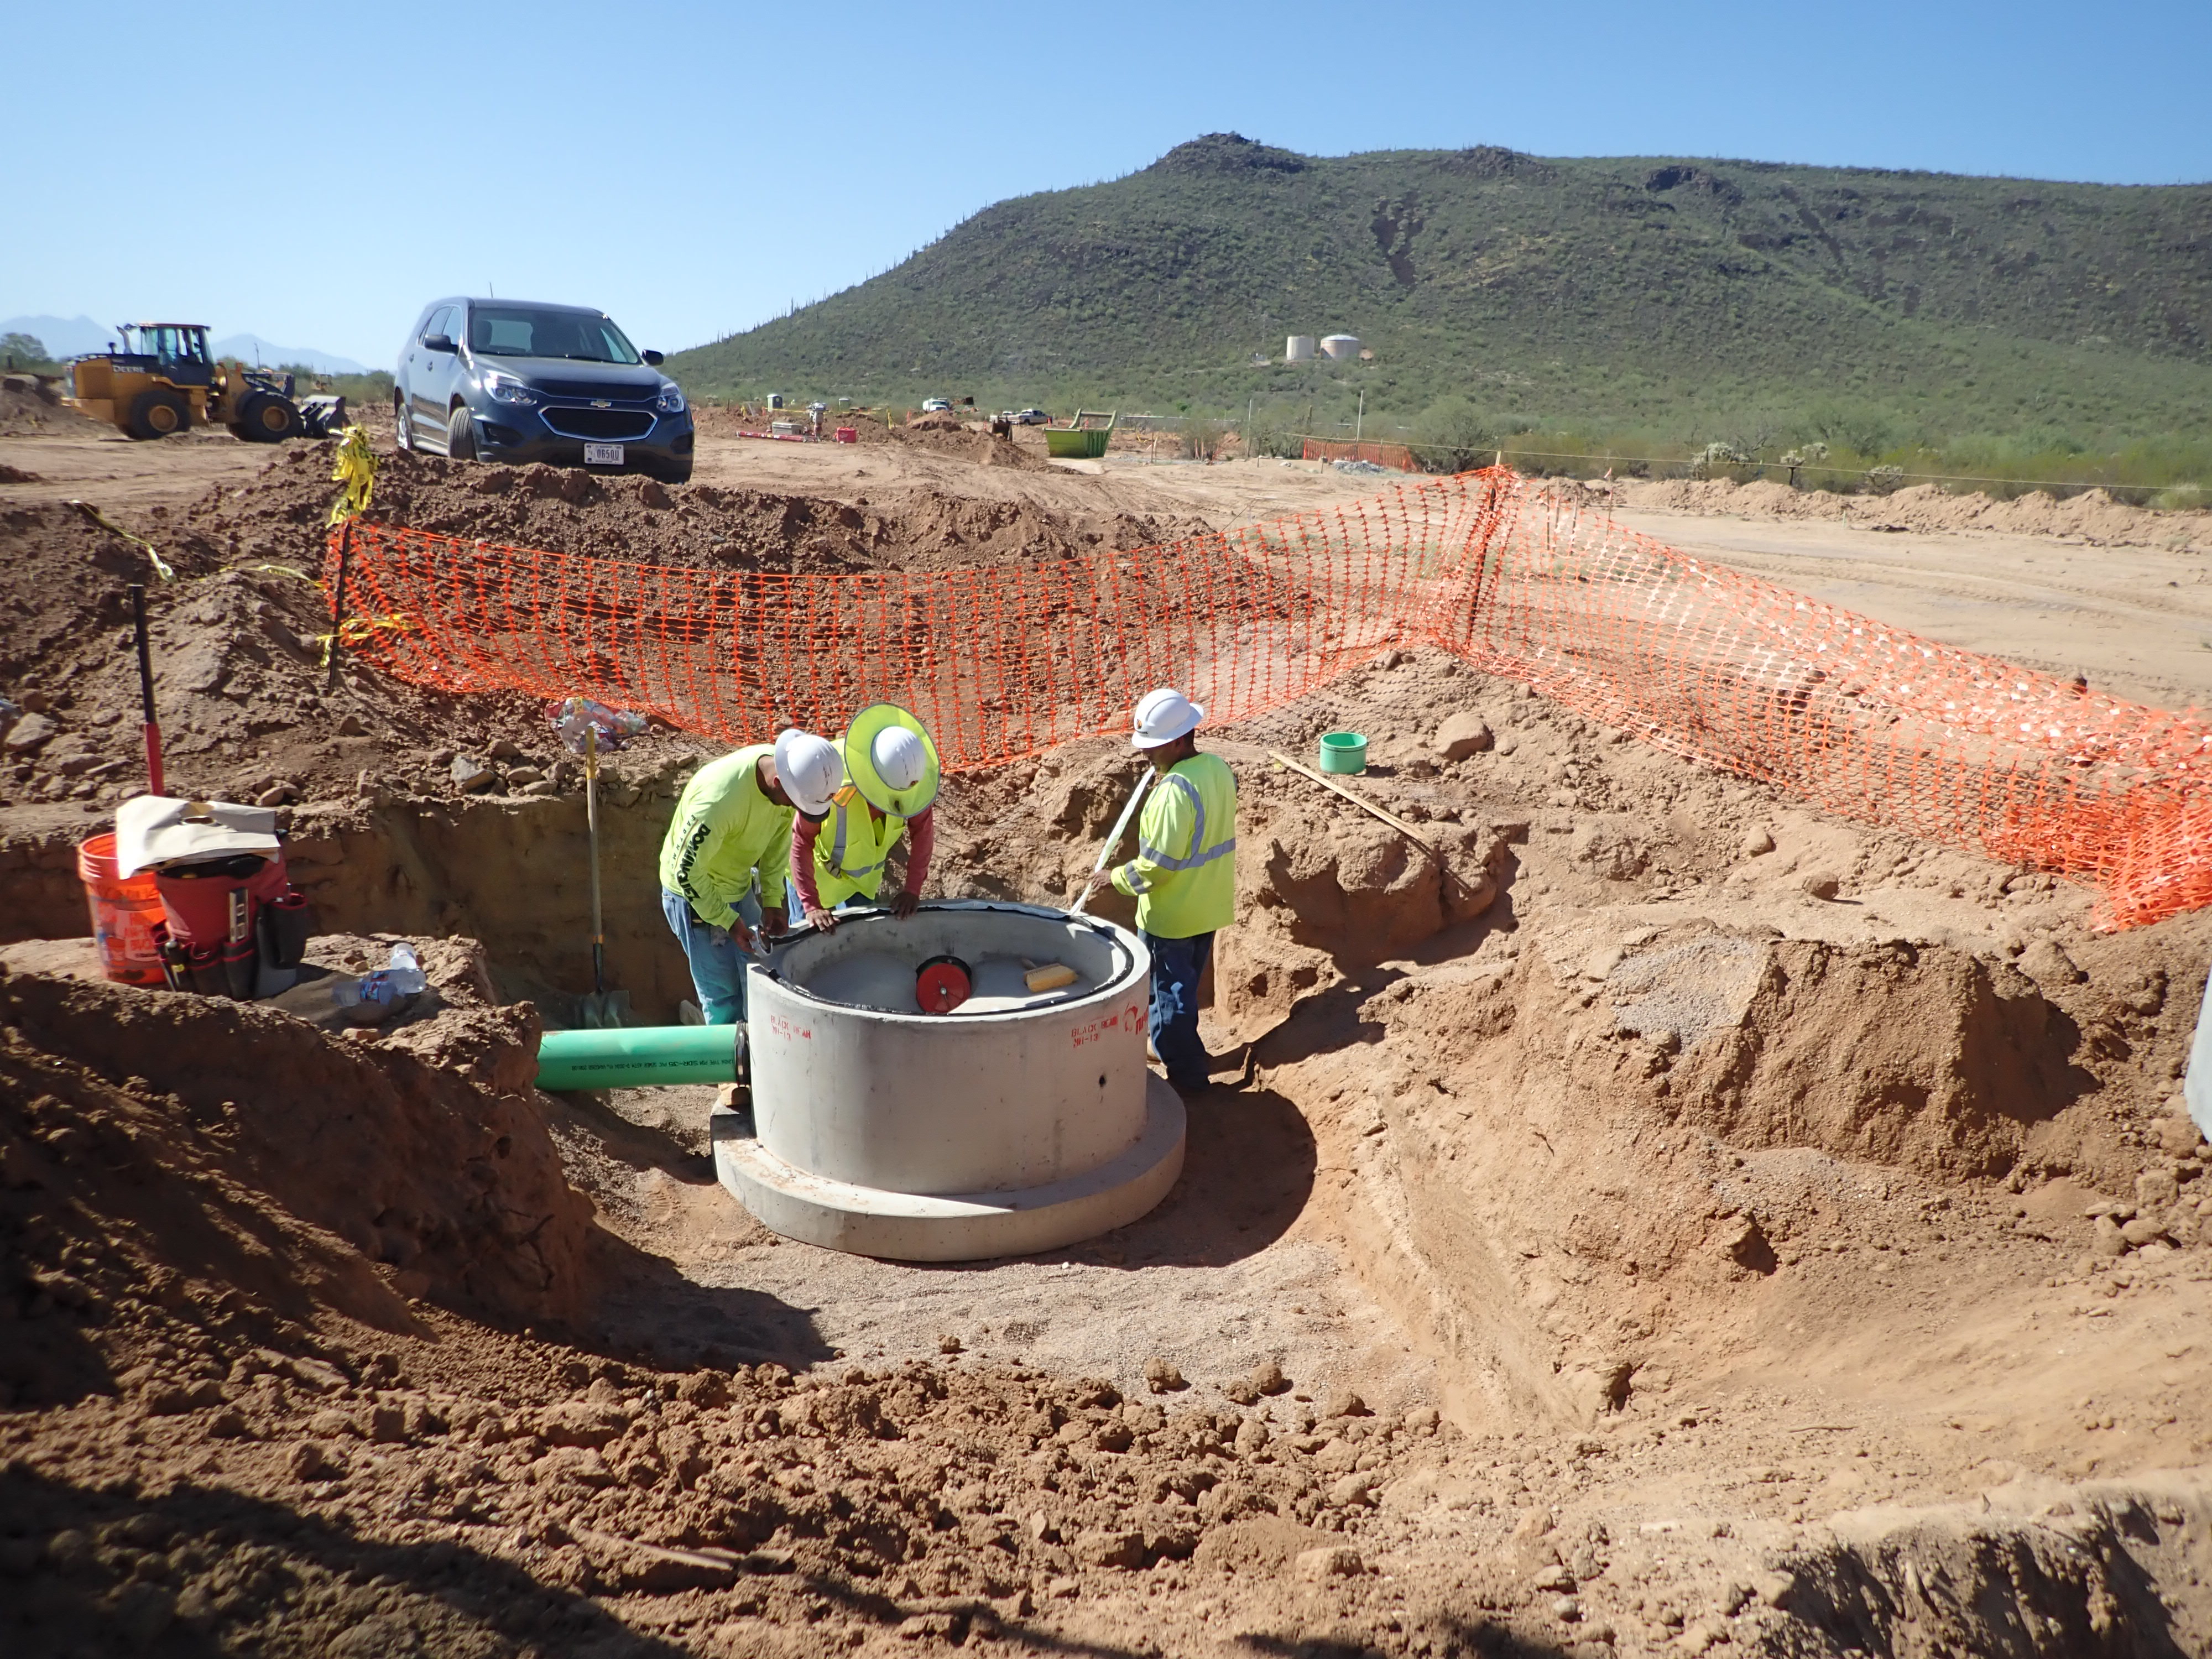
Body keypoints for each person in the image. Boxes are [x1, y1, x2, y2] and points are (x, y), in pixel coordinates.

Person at [1081, 688, 1237, 1093]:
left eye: (1153, 747)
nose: (1145, 754)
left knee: (1169, 1002)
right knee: (1181, 994)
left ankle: (1187, 1082)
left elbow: (1157, 869)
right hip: (1208, 906)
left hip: (1172, 917)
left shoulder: (1173, 794)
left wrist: (1113, 879)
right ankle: (1185, 1054)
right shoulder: (1217, 769)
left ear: (1180, 740)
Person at [658, 728, 842, 1024]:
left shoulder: (790, 783)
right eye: (795, 804)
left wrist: (772, 900)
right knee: (723, 997)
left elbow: (777, 845)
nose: (795, 811)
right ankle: (731, 1062)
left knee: (764, 974)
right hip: (694, 896)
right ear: (779, 782)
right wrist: (729, 921)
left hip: (737, 884)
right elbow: (687, 873)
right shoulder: (719, 801)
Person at [789, 704, 942, 931]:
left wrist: (912, 889)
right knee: (806, 949)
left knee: (859, 944)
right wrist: (811, 905)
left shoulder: (912, 783)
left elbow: (923, 833)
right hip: (815, 880)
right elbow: (801, 840)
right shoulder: (829, 778)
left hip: (861, 884)